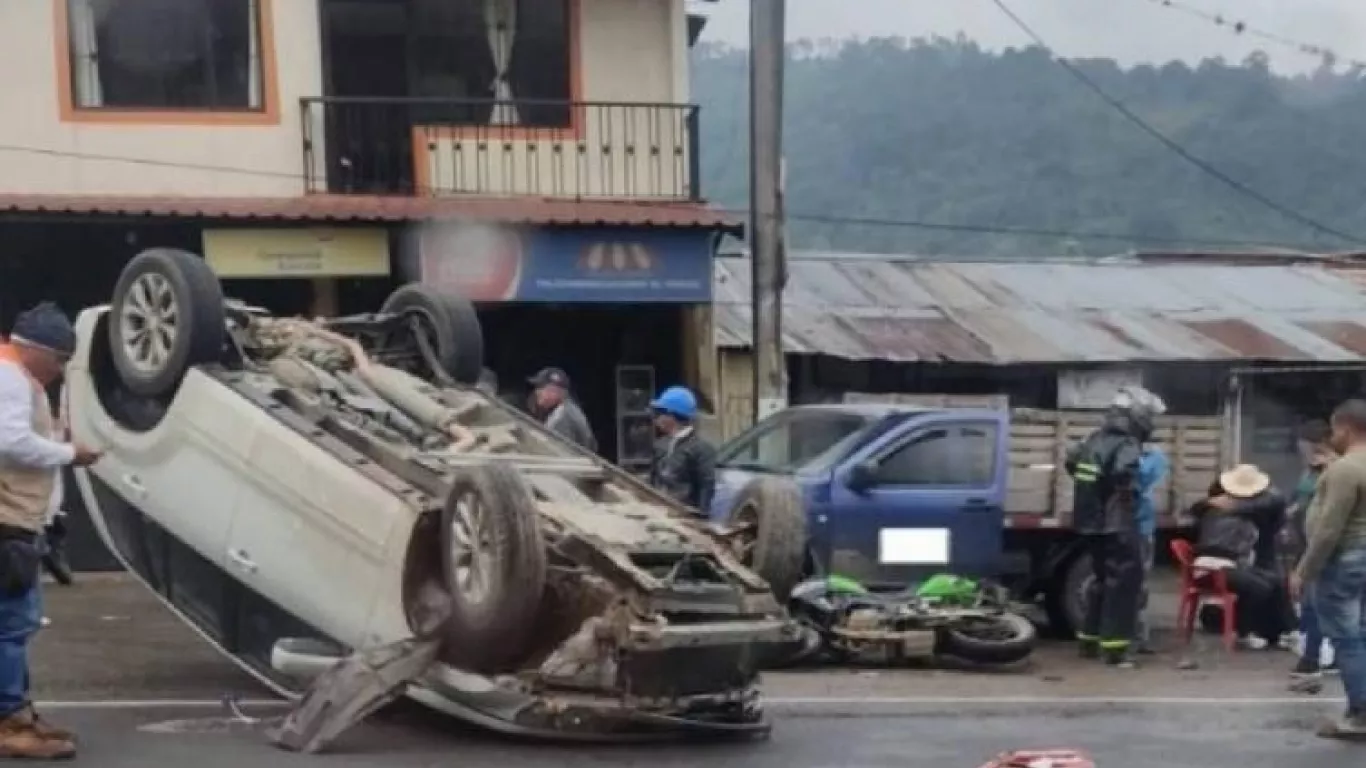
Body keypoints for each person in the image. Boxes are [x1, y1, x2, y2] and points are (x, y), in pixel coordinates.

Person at [0, 303, 101, 758]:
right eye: (60, 359)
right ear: (39, 350)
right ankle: (9, 721)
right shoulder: (11, 378)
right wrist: (69, 453)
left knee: (16, 622)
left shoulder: (15, 376)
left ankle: (18, 712)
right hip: (6, 524)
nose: (60, 370)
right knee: (11, 625)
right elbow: (11, 443)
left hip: (17, 521)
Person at [1066, 385, 1165, 667]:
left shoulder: (1095, 438)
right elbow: (1124, 472)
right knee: (1124, 586)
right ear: (1137, 415)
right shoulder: (1127, 444)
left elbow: (1072, 460)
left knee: (1100, 582)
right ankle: (1116, 651)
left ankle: (1089, 642)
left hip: (1090, 523)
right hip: (1118, 524)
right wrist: (1128, 495)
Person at [1291, 398, 1366, 740]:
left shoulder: (1346, 470)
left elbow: (1329, 529)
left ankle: (1360, 715)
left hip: (1345, 559)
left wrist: (1303, 571)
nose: (1331, 436)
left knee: (1346, 639)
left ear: (1347, 428)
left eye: (1335, 429)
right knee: (1360, 634)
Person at [1191, 464, 1296, 649]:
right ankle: (1244, 632)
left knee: (1275, 582)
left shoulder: (1227, 505)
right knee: (1259, 587)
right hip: (1215, 565)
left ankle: (1284, 630)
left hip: (1228, 565)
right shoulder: (1222, 508)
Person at [1287, 419, 1336, 679]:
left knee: (1315, 603)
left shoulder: (1331, 470)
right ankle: (1313, 653)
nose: (1302, 452)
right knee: (1309, 603)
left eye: (1304, 446)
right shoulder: (1309, 472)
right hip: (1305, 542)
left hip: (1319, 546)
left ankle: (1313, 657)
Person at [646, 386, 716, 513]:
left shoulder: (701, 450)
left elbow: (706, 488)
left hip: (684, 518)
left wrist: (700, 520)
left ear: (671, 416)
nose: (655, 419)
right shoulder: (659, 445)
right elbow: (652, 481)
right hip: (657, 514)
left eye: (658, 413)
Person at [1133, 442, 1169, 655]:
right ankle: (1138, 638)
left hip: (1126, 531)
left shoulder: (1123, 462)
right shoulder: (1145, 467)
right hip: (1140, 532)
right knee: (1139, 586)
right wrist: (1151, 451)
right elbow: (1157, 464)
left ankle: (1137, 637)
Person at [527, 367, 596, 453]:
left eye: (541, 387)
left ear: (555, 391)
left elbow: (557, 456)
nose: (537, 392)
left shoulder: (563, 416)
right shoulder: (568, 409)